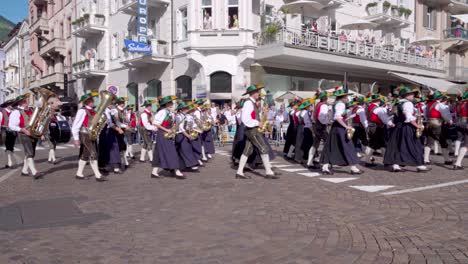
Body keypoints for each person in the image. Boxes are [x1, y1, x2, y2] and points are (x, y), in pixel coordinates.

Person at [383, 87, 430, 172]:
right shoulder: (408, 104)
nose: (413, 95)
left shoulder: (397, 103)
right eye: (411, 94)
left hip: (397, 128)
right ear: (406, 95)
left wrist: (391, 123)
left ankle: (396, 165)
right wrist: (417, 125)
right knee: (415, 145)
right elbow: (408, 117)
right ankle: (419, 165)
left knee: (397, 146)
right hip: (406, 127)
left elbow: (390, 116)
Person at [236, 85, 278, 180]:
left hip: (253, 130)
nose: (258, 93)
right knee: (263, 148)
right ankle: (268, 172)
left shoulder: (253, 103)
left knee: (247, 150)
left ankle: (239, 172)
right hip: (252, 130)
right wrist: (257, 122)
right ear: (253, 93)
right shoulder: (248, 103)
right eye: (257, 92)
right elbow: (245, 119)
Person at [320, 88, 362, 175]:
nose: (347, 99)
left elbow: (333, 117)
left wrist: (345, 119)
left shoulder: (334, 104)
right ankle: (353, 168)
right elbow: (337, 117)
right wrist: (346, 126)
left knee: (331, 147)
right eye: (346, 97)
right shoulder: (341, 104)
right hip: (340, 128)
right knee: (348, 146)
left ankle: (325, 167)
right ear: (343, 97)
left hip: (335, 127)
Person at [72, 92, 107, 182]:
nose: (93, 101)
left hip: (92, 134)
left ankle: (79, 173)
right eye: (91, 100)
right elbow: (75, 125)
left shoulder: (93, 110)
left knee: (85, 154)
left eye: (92, 99)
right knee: (93, 154)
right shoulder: (82, 111)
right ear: (86, 101)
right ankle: (98, 175)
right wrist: (76, 139)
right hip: (84, 134)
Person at [8, 93, 45, 179]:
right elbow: (11, 125)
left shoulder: (31, 110)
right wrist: (23, 130)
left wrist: (40, 132)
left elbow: (37, 122)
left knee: (31, 153)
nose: (27, 101)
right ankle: (34, 172)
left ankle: (24, 170)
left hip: (33, 133)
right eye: (24, 101)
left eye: (26, 100)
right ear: (20, 103)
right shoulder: (16, 112)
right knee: (29, 152)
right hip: (23, 134)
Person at [151, 95, 184, 179]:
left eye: (171, 103)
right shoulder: (162, 112)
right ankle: (177, 171)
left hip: (167, 133)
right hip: (163, 134)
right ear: (166, 104)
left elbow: (171, 123)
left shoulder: (170, 113)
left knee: (158, 153)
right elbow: (155, 123)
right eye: (170, 103)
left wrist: (173, 128)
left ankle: (154, 172)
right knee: (171, 152)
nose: (172, 104)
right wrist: (167, 130)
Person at [424, 91, 453, 165]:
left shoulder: (427, 105)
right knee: (443, 142)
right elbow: (446, 115)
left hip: (429, 124)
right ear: (439, 98)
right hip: (437, 124)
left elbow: (425, 115)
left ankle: (426, 159)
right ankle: (447, 159)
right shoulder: (440, 105)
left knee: (429, 142)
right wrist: (450, 121)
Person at [365, 93, 394, 164]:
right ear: (378, 100)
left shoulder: (369, 107)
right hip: (377, 127)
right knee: (373, 144)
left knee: (381, 144)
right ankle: (368, 160)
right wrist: (391, 124)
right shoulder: (378, 108)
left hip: (371, 126)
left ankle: (386, 160)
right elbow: (384, 119)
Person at [98, 101, 124, 174]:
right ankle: (103, 167)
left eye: (113, 103)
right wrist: (118, 129)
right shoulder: (105, 111)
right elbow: (110, 123)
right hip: (105, 132)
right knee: (107, 149)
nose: (113, 105)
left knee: (113, 148)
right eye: (112, 103)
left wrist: (123, 126)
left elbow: (116, 122)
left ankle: (114, 167)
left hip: (109, 131)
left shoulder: (110, 111)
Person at [175, 101, 199, 171]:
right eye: (184, 109)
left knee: (183, 150)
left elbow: (186, 126)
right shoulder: (178, 116)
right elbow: (181, 128)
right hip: (180, 135)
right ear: (180, 110)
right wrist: (188, 135)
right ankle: (192, 164)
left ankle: (183, 166)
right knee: (186, 149)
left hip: (184, 134)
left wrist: (191, 128)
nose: (186, 110)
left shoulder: (184, 116)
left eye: (186, 108)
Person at [309, 90, 330, 167]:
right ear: (326, 98)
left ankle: (310, 162)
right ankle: (325, 163)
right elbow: (321, 117)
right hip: (321, 126)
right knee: (328, 143)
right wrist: (327, 122)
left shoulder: (318, 104)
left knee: (315, 144)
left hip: (316, 125)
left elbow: (313, 117)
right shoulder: (323, 105)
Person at [350, 96, 372, 165]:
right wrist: (367, 127)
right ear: (363, 103)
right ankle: (369, 159)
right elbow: (363, 120)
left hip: (354, 126)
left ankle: (352, 157)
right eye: (364, 103)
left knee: (354, 142)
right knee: (365, 143)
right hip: (359, 127)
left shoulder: (354, 108)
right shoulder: (361, 110)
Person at [44, 97, 63, 164]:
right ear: (52, 103)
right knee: (51, 144)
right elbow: (46, 119)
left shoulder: (53, 110)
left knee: (53, 144)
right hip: (47, 130)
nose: (57, 105)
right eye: (56, 103)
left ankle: (49, 159)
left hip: (52, 129)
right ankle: (54, 159)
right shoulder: (47, 109)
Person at [0, 99, 17, 169]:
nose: (12, 106)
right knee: (8, 146)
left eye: (13, 104)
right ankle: (10, 162)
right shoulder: (2, 112)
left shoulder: (14, 112)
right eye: (11, 104)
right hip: (4, 130)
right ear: (7, 105)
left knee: (10, 146)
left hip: (13, 131)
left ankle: (9, 162)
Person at [114, 97, 130, 169]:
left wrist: (127, 123)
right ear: (118, 103)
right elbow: (116, 122)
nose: (123, 104)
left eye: (123, 102)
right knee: (120, 147)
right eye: (121, 103)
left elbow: (125, 120)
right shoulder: (115, 110)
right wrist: (124, 125)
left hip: (123, 129)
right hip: (117, 130)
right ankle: (120, 162)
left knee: (124, 146)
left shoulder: (124, 110)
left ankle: (125, 162)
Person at [454, 91, 468, 170]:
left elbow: (457, 113)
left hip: (461, 122)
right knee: (466, 144)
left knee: (465, 143)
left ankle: (457, 163)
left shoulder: (461, 103)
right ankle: (457, 163)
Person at [297, 99, 314, 166]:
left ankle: (308, 159)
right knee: (307, 145)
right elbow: (308, 124)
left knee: (307, 145)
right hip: (307, 129)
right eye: (310, 106)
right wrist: (313, 132)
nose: (311, 107)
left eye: (311, 106)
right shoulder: (305, 113)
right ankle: (307, 160)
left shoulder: (306, 113)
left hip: (306, 128)